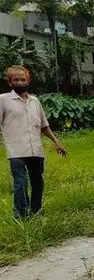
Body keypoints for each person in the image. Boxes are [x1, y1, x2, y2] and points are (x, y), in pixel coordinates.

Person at [1, 65, 67, 219]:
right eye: (15, 79)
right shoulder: (3, 100)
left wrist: (56, 142)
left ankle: (36, 211)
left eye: (22, 79)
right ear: (10, 82)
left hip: (35, 150)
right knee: (21, 183)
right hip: (16, 151)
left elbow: (44, 126)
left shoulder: (35, 102)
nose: (19, 82)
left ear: (28, 81)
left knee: (38, 182)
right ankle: (21, 215)